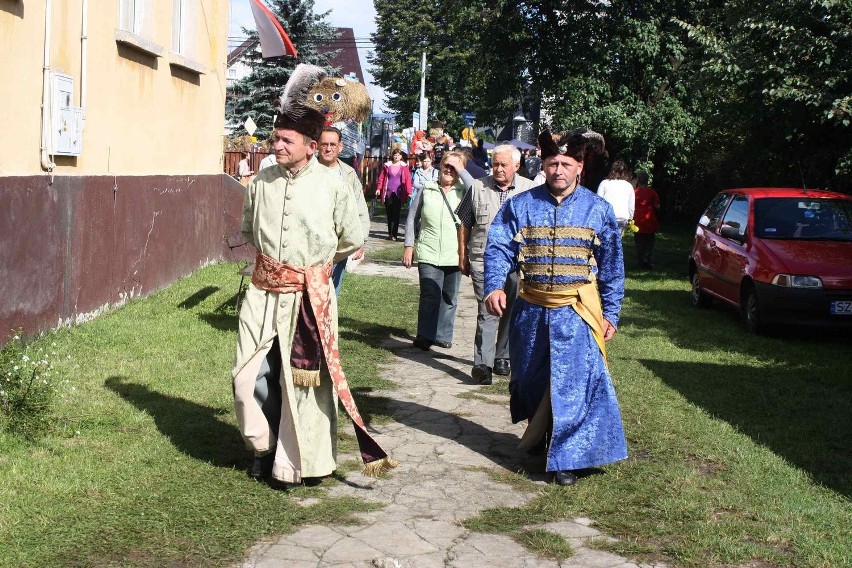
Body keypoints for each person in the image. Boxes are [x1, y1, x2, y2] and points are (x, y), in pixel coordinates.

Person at [232, 67, 396, 488]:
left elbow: (352, 237)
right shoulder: (261, 181)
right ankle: (262, 446)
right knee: (247, 377)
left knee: (300, 382)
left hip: (309, 296)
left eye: (287, 140)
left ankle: (293, 464)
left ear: (309, 145)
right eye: (276, 138)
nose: (277, 145)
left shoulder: (334, 183)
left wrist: (314, 270)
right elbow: (250, 231)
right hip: (261, 292)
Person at [483, 129, 627, 487]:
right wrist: (495, 285)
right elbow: (499, 246)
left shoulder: (598, 209)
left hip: (578, 313)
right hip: (531, 309)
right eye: (552, 164)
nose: (558, 170)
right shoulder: (521, 205)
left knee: (573, 384)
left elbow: (612, 268)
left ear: (580, 167)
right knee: (530, 379)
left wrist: (610, 313)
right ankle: (541, 435)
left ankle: (567, 458)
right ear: (542, 166)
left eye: (566, 164)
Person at [456, 144, 536, 385]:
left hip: (517, 263)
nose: (498, 169)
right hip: (483, 260)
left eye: (503, 165)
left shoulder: (530, 191)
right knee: (487, 310)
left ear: (517, 166)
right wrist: (463, 255)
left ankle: (503, 356)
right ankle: (482, 363)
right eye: (495, 164)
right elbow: (465, 224)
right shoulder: (478, 187)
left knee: (510, 309)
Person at [403, 151, 469, 351]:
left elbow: (476, 186)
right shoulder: (427, 188)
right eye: (447, 165)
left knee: (449, 296)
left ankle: (443, 335)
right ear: (440, 166)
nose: (449, 170)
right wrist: (409, 245)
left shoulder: (465, 191)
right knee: (430, 294)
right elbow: (411, 218)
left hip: (455, 252)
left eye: (455, 168)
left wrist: (462, 171)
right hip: (429, 250)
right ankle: (425, 335)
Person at [317, 127, 371, 293]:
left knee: (333, 290)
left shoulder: (348, 174)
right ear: (317, 146)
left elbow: (359, 208)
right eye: (324, 144)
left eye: (333, 144)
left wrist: (360, 240)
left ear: (340, 147)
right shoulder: (306, 171)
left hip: (339, 244)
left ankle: (329, 319)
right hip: (312, 242)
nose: (328, 148)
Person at [375, 148, 412, 241]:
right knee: (389, 214)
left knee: (396, 214)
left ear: (401, 157)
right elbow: (381, 178)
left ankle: (394, 234)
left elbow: (408, 180)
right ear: (392, 156)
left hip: (399, 193)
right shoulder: (387, 165)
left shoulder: (404, 166)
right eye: (395, 155)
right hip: (388, 192)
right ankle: (390, 234)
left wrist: (409, 192)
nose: (396, 157)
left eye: (399, 155)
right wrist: (379, 189)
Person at [597, 160, 635, 235]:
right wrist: (630, 218)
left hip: (607, 218)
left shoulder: (604, 183)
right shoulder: (629, 186)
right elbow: (631, 206)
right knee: (617, 241)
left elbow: (598, 202)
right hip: (622, 218)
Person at [632, 171, 660, 268]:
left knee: (639, 243)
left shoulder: (634, 192)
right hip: (649, 221)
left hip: (637, 222)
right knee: (649, 242)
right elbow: (657, 206)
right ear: (647, 181)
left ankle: (640, 261)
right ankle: (647, 260)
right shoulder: (652, 192)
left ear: (638, 180)